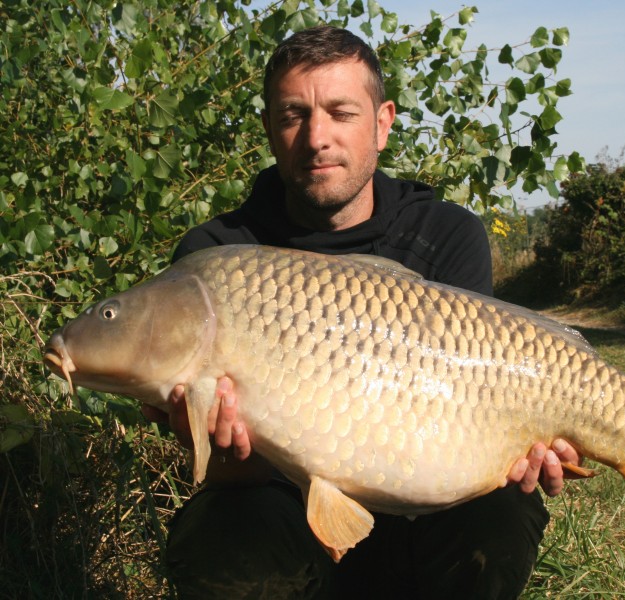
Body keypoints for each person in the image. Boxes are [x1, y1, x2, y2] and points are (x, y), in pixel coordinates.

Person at [144, 25, 581, 600]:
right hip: (283, 511)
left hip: (426, 512)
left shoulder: (446, 234)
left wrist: (528, 446)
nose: (316, 137)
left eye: (341, 112)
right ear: (271, 130)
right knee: (224, 536)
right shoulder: (216, 259)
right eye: (293, 114)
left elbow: (486, 408)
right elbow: (228, 480)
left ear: (382, 123)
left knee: (501, 512)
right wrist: (223, 452)